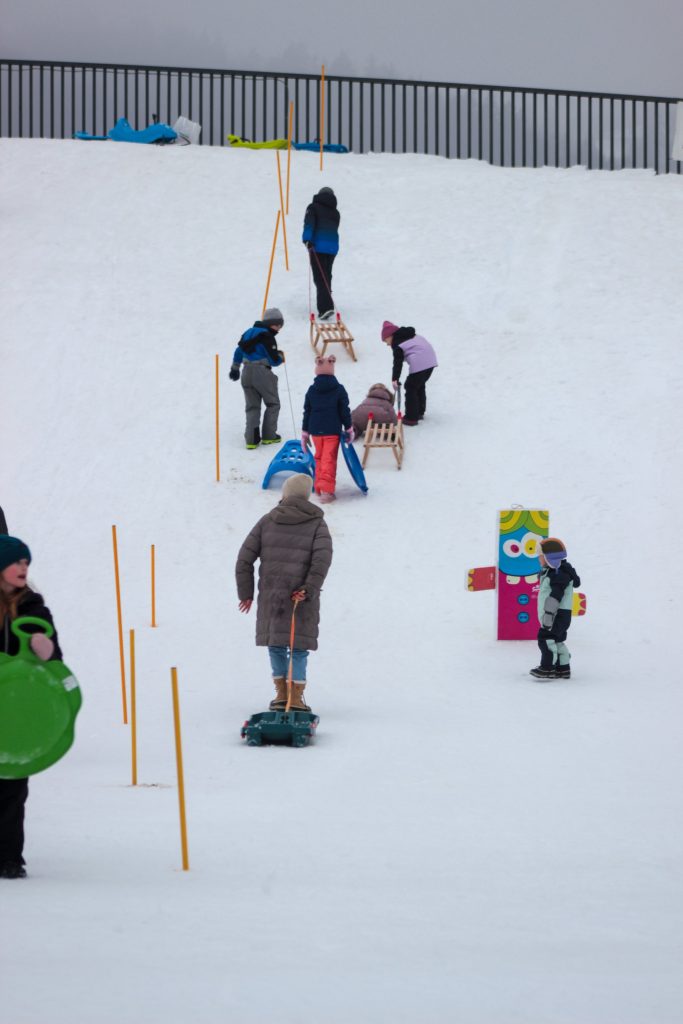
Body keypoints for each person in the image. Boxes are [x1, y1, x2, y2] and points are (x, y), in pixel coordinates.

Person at [235, 473, 333, 712]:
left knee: (277, 643)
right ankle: (296, 699)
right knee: (297, 646)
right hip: (301, 598)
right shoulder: (317, 523)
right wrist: (308, 589)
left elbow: (244, 560)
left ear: (286, 494)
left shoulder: (267, 520)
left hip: (272, 598)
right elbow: (322, 560)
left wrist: (245, 594)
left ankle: (281, 695)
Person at [0, 535, 63, 880]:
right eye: (17, 562)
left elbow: (56, 659)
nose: (24, 568)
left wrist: (45, 647)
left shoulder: (33, 607)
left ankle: (10, 856)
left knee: (12, 784)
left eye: (27, 563)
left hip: (18, 711)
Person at [229, 308, 286, 449]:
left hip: (246, 372)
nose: (279, 329)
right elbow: (274, 360)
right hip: (262, 372)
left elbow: (238, 351)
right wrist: (281, 357)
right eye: (277, 325)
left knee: (252, 406)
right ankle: (269, 436)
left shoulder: (248, 333)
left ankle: (251, 440)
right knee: (273, 404)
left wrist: (235, 368)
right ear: (270, 323)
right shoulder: (267, 336)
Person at [302, 355, 353, 504]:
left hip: (315, 431)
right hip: (332, 431)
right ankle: (326, 491)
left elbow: (307, 411)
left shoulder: (312, 390)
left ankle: (319, 487)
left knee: (319, 457)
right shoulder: (339, 389)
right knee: (328, 459)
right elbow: (345, 411)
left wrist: (305, 432)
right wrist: (349, 428)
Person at [530, 538, 581, 680]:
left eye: (539, 556)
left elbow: (555, 595)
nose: (538, 559)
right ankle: (562, 668)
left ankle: (547, 668)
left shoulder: (559, 574)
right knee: (557, 640)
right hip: (561, 614)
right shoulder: (556, 572)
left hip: (555, 614)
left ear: (549, 557)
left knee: (545, 638)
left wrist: (548, 614)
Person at [380, 321, 438, 426]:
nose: (387, 344)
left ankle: (411, 417)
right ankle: (419, 411)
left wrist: (395, 379)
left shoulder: (398, 344)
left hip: (421, 361)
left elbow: (397, 364)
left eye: (386, 341)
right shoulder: (408, 335)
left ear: (390, 336)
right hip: (431, 361)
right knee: (418, 385)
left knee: (410, 387)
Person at [302, 187, 340, 320]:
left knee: (320, 277)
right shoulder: (336, 212)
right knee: (327, 275)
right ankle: (327, 304)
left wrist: (307, 239)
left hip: (317, 246)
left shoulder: (313, 207)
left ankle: (325, 308)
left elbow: (309, 224)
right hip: (332, 248)